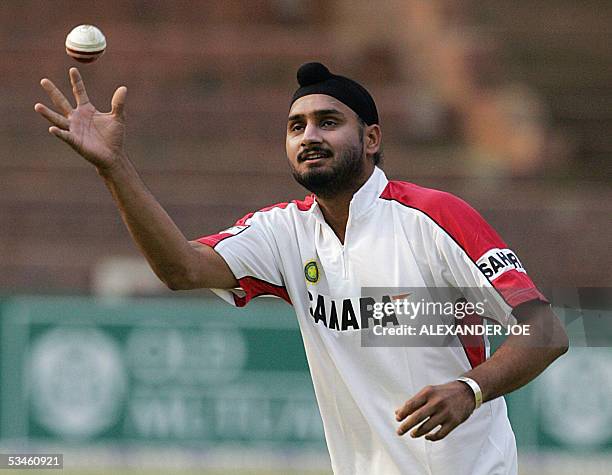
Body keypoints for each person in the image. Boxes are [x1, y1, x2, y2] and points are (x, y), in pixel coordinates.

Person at [35, 63, 568, 475]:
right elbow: (181, 268)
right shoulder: (284, 232)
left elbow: (546, 331)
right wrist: (115, 168)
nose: (309, 135)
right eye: (296, 126)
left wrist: (468, 389)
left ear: (372, 139)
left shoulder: (432, 217)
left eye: (328, 122)